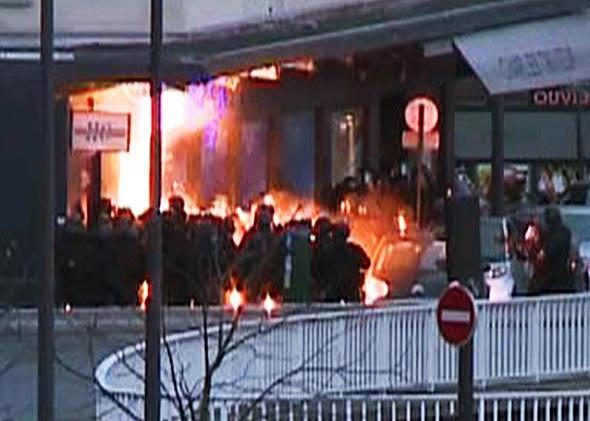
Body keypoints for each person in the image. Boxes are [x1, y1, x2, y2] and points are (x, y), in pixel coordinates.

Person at [529, 207, 575, 295]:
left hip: (551, 283)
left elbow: (543, 257)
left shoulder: (550, 238)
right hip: (565, 282)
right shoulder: (566, 233)